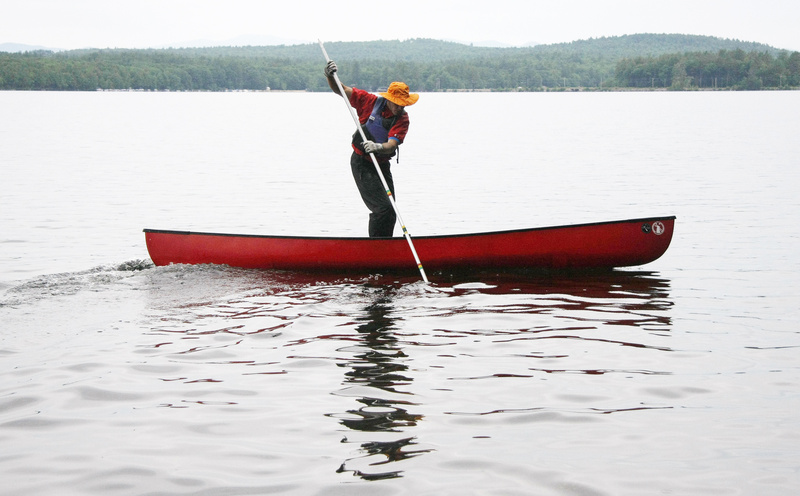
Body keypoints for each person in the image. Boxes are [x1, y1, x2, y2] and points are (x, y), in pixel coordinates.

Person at [324, 60, 419, 238]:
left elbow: (391, 144)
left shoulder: (403, 120)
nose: (400, 107)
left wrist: (377, 147)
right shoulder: (369, 102)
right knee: (382, 209)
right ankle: (376, 248)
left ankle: (384, 246)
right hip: (362, 163)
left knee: (391, 210)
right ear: (389, 99)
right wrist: (330, 76)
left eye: (403, 104)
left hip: (381, 164)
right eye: (396, 103)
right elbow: (341, 90)